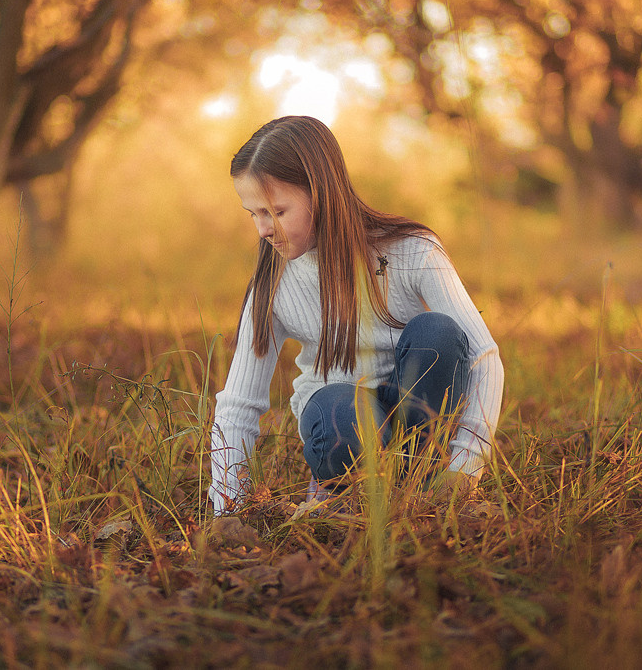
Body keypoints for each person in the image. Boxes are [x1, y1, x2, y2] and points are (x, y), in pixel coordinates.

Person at [208, 115, 503, 515]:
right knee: (338, 408)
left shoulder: (412, 251)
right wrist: (228, 505)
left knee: (439, 332)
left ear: (321, 193)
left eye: (276, 211)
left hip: (416, 417)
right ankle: (344, 491)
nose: (262, 229)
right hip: (341, 418)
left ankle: (421, 485)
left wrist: (466, 467)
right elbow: (239, 402)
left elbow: (484, 358)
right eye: (253, 213)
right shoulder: (273, 283)